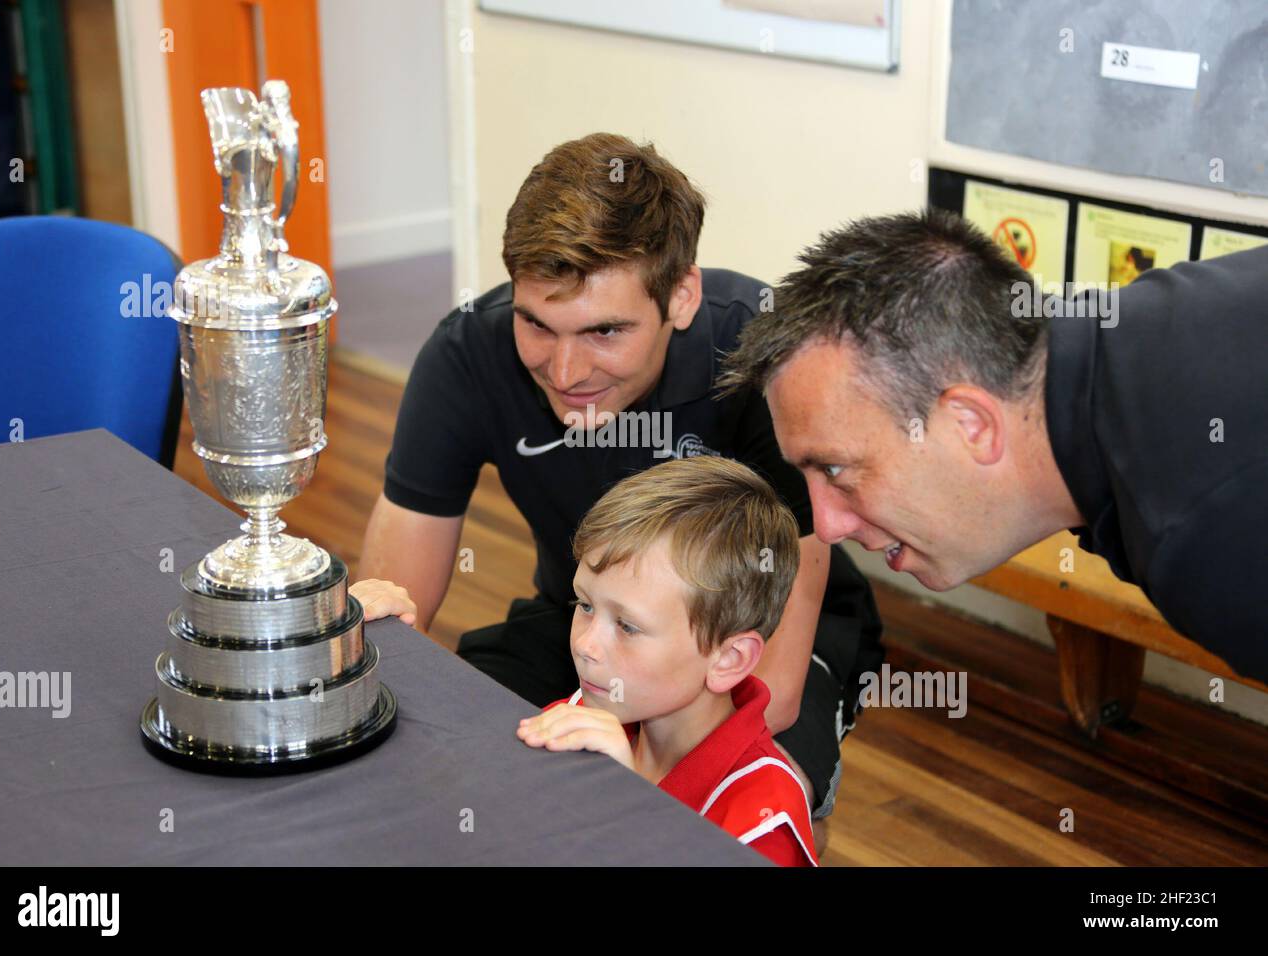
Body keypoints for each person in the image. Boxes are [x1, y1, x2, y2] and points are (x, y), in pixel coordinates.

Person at [352, 133, 884, 834]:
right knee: (467, 748)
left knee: (747, 808)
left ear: (682, 297)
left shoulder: (769, 358)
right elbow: (391, 623)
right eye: (537, 324)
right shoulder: (465, 356)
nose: (566, 372)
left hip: (749, 637)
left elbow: (772, 688)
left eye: (604, 332)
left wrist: (622, 763)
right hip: (589, 615)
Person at [718, 207, 1268, 681]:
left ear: (971, 424)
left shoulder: (1202, 532)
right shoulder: (1132, 340)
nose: (828, 525)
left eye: (836, 470)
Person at [517, 455, 817, 867]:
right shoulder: (587, 715)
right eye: (584, 604)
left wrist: (626, 808)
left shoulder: (762, 825)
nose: (587, 645)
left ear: (729, 659)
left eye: (628, 626)